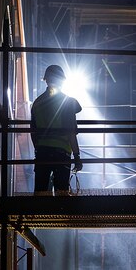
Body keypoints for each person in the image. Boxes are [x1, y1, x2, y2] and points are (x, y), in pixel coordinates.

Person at [31, 64, 83, 194]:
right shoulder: (67, 102)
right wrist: (77, 156)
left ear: (46, 80)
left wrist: (38, 150)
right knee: (62, 194)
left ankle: (39, 213)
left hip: (42, 152)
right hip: (61, 153)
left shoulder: (37, 103)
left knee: (41, 193)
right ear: (62, 80)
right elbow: (71, 132)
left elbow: (33, 132)